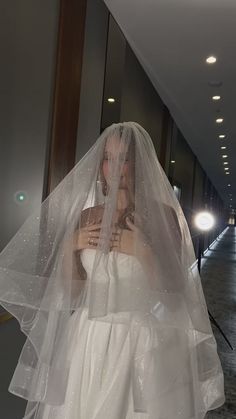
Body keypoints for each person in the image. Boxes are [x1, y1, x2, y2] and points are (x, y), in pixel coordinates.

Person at [0, 122, 224, 419]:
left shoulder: (163, 216)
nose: (114, 167)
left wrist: (143, 252)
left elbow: (172, 297)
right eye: (107, 158)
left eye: (124, 159)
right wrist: (70, 247)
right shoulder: (88, 216)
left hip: (141, 342)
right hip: (87, 339)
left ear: (139, 164)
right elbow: (74, 291)